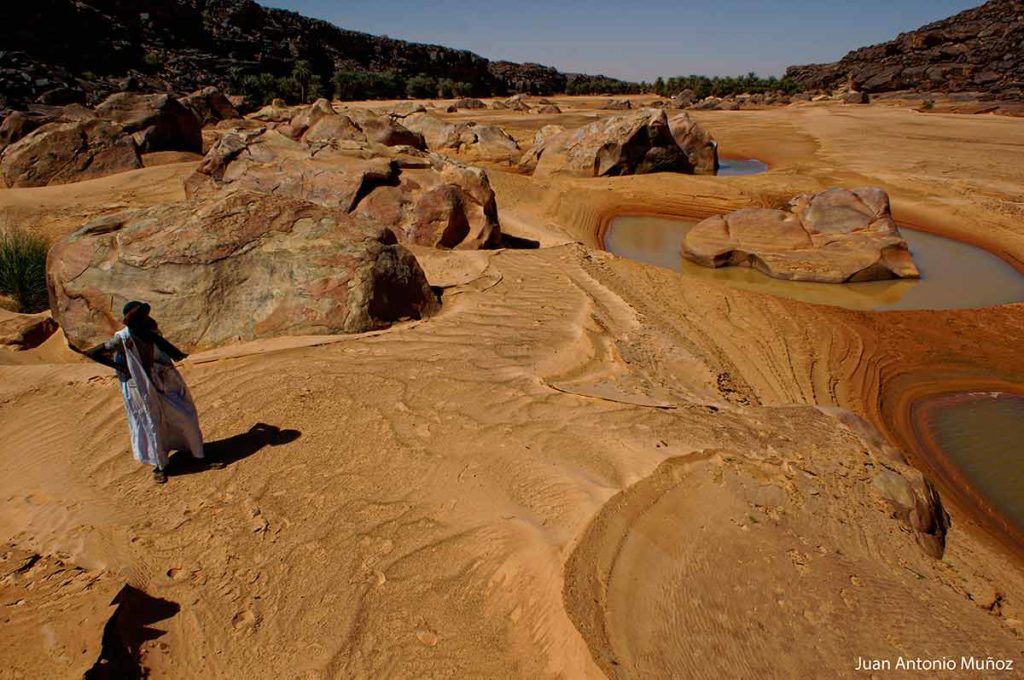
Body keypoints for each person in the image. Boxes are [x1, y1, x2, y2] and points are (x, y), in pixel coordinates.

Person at [82, 301, 220, 484]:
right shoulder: (122, 339)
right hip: (139, 388)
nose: (141, 321)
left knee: (185, 416)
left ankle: (198, 455)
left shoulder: (151, 334)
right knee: (150, 424)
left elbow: (171, 352)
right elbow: (94, 353)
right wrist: (120, 367)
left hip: (163, 383)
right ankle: (160, 466)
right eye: (137, 318)